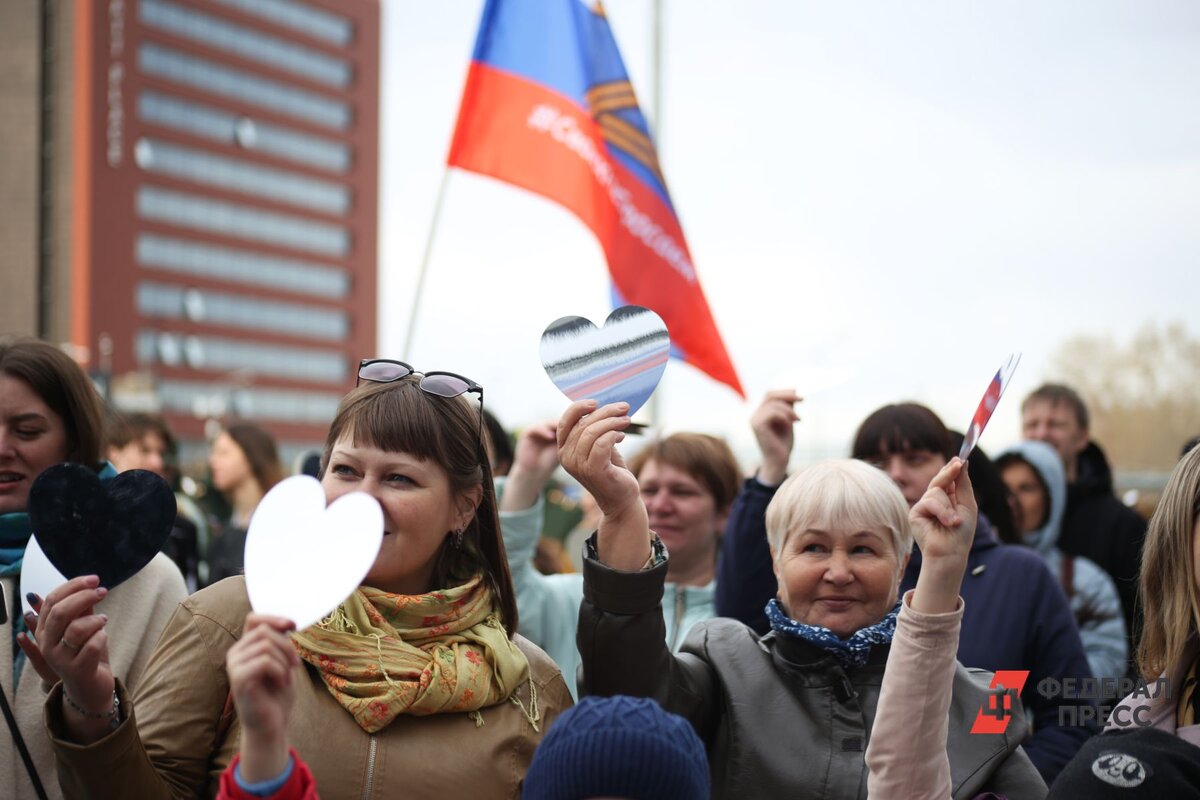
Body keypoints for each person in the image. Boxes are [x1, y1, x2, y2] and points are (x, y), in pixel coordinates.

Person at [39, 363, 571, 799]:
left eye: (399, 478)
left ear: (464, 507)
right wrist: (93, 710)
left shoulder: (528, 684)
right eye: (346, 471)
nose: (363, 498)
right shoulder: (228, 619)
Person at [561, 398, 1045, 799]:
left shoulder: (981, 699)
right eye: (813, 548)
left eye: (863, 549)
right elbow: (625, 699)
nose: (839, 572)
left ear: (902, 565)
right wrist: (623, 513)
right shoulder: (726, 667)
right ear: (776, 561)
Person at [716, 394, 1094, 784]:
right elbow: (741, 622)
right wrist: (770, 471)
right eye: (877, 463)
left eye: (915, 459)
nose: (896, 474)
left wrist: (993, 784)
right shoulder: (840, 584)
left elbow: (1072, 710)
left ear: (952, 468)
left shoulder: (1021, 576)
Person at [0, 337, 186, 800]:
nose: (1, 447)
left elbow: (168, 771)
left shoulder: (154, 583)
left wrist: (91, 706)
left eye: (26, 431)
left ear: (74, 438)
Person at [499, 422, 739, 697]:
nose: (660, 506)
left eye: (682, 492)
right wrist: (527, 476)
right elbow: (501, 594)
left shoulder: (741, 616)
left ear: (725, 513)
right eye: (649, 490)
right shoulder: (577, 599)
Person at [1044, 443, 1200, 798]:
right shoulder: (1131, 721)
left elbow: (1071, 690)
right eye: (1011, 489)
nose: (1018, 501)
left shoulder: (1072, 577)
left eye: (1028, 488)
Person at [1021, 383, 1146, 658]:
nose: (1041, 433)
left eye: (1055, 424)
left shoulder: (1122, 524)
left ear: (1082, 437)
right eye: (1032, 425)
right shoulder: (1006, 517)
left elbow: (1140, 620)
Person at [997, 441, 1127, 682]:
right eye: (1003, 489)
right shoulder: (971, 572)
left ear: (1051, 497)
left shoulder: (1085, 581)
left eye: (1026, 488)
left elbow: (1108, 664)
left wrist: (1036, 691)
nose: (1011, 500)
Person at [105, 410, 205, 590]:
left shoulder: (182, 529)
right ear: (113, 452)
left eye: (161, 453)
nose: (157, 462)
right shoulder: (91, 517)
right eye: (145, 450)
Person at [205, 422, 284, 586]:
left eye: (224, 453)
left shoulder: (278, 525)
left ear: (252, 456)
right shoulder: (230, 523)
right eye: (214, 452)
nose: (212, 460)